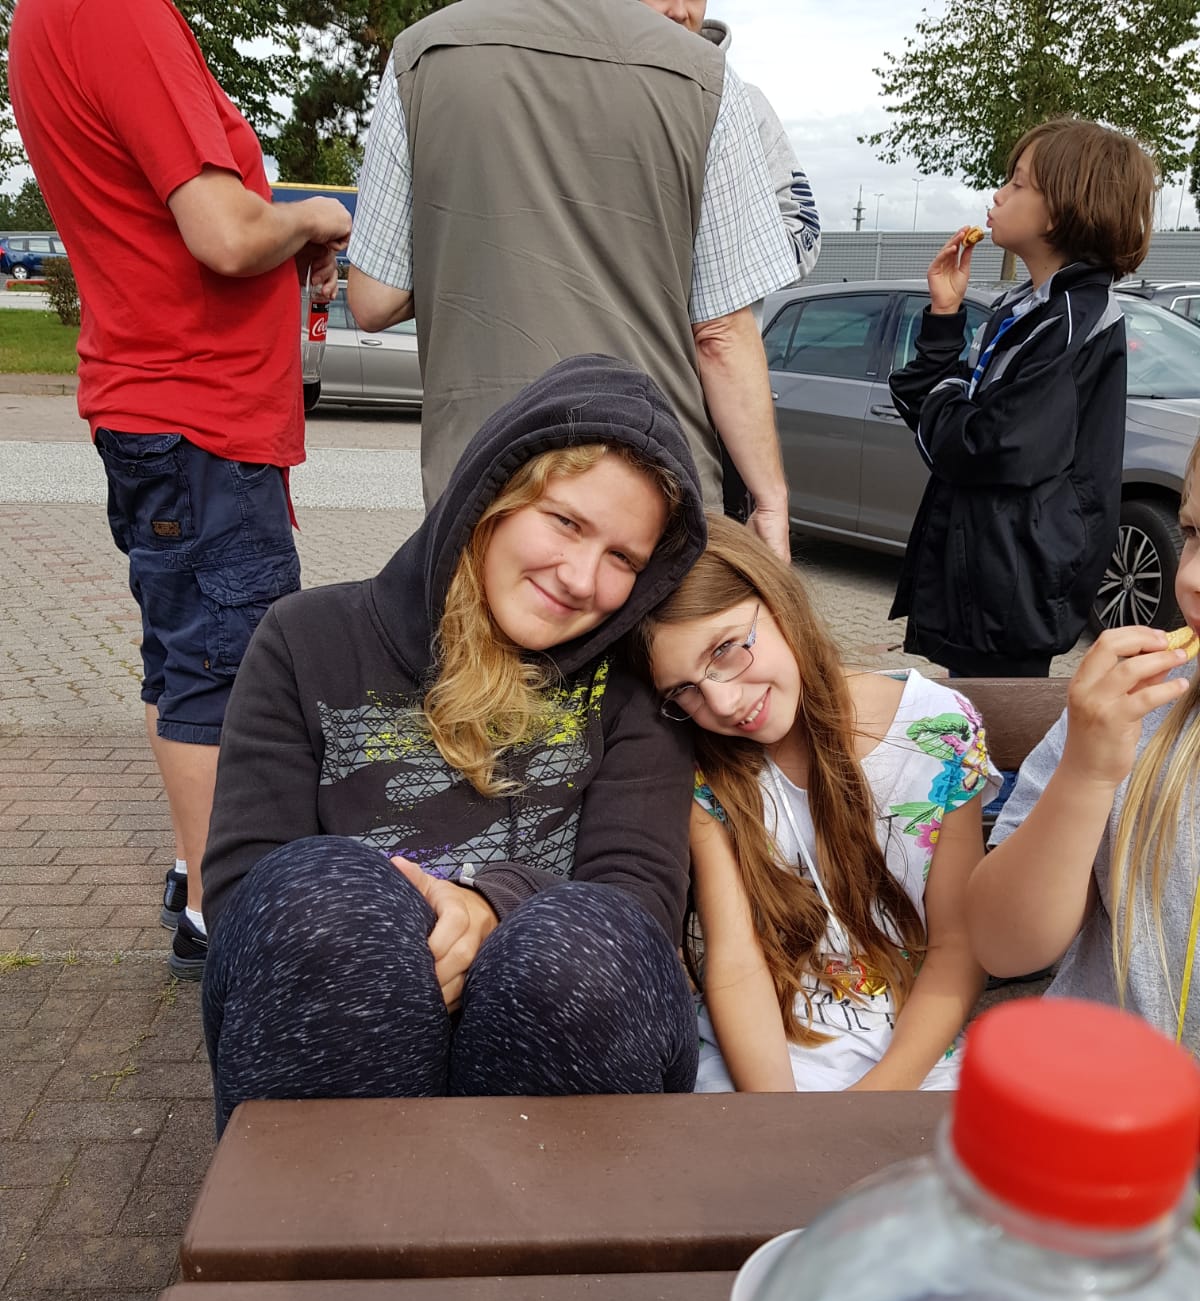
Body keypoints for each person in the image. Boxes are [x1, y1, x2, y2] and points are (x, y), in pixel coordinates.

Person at [200, 355, 707, 1133]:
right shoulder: (306, 640)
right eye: (566, 522)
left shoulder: (631, 686)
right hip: (344, 1029)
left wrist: (490, 908)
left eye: (623, 559)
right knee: (325, 900)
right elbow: (246, 894)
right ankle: (331, 1204)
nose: (581, 578)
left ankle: (549, 1208)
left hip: (551, 1041)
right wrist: (411, 937)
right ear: (492, 498)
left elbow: (639, 900)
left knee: (582, 947)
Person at [9, 0, 353, 981]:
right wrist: (314, 217)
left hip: (155, 403)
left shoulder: (48, 18)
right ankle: (224, 915)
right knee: (232, 669)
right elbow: (224, 234)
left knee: (184, 655)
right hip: (199, 410)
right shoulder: (119, 12)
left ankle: (194, 867)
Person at [345, 0, 797, 558]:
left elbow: (373, 299)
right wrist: (769, 501)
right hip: (651, 499)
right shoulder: (706, 79)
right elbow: (721, 334)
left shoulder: (421, 55)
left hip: (484, 491)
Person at [637, 517, 998, 1093]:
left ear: (778, 600)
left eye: (726, 650)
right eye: (684, 690)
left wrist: (873, 1100)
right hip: (763, 1052)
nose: (722, 703)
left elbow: (958, 946)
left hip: (917, 1052)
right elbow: (736, 960)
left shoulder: (938, 730)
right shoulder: (708, 768)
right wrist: (785, 1119)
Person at [889, 118, 1156, 678]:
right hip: (980, 584)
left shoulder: (1075, 321)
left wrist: (947, 400)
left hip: (1011, 597)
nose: (997, 195)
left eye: (1017, 183)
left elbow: (987, 446)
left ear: (1062, 208)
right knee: (969, 721)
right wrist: (945, 315)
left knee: (997, 728)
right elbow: (932, 407)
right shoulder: (1022, 308)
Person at [969, 436, 1200, 1054]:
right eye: (1193, 533)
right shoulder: (1131, 711)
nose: (1190, 576)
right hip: (1097, 1088)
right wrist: (1085, 775)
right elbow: (1001, 945)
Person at [646, 0, 821, 285]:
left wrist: (716, 255)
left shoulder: (746, 103)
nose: (679, 11)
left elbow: (804, 234)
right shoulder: (588, 93)